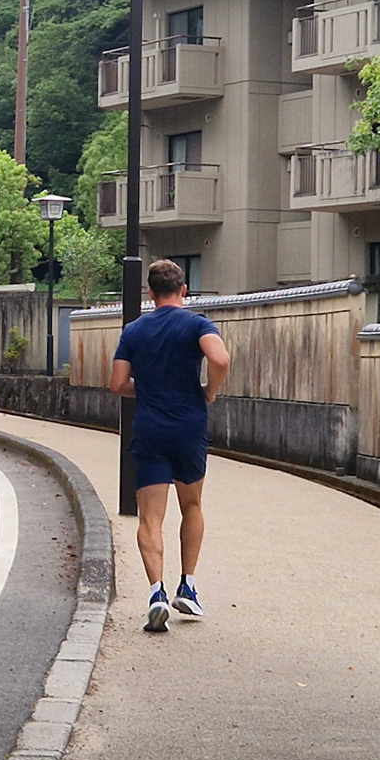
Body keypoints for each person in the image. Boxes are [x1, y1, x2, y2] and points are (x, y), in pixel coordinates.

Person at [109, 258, 231, 632]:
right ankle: (188, 586)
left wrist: (143, 390)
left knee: (150, 518)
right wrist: (209, 389)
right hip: (189, 428)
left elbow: (116, 384)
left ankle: (157, 593)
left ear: (150, 293)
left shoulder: (134, 330)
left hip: (150, 429)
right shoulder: (197, 323)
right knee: (191, 505)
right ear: (184, 290)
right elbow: (220, 358)